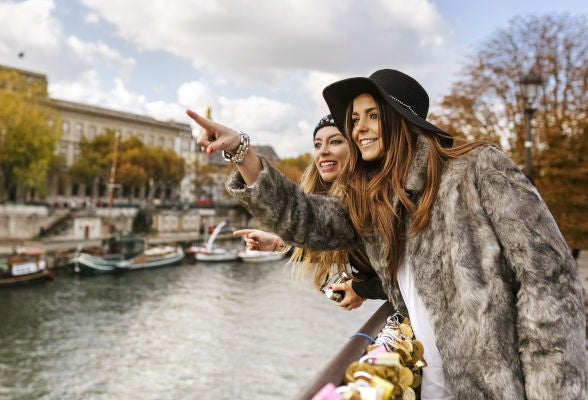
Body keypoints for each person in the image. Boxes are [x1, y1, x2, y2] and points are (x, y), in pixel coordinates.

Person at [187, 69, 586, 399]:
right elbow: (303, 217)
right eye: (354, 119)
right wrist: (242, 150)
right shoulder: (376, 200)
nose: (359, 128)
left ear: (402, 119)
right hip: (429, 386)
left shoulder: (478, 169)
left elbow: (550, 287)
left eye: (372, 115)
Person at [233, 114, 385, 309]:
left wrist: (362, 289)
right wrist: (278, 242)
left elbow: (411, 276)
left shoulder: (376, 200)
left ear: (358, 148)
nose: (323, 151)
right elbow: (325, 237)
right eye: (317, 145)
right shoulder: (347, 202)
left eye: (336, 141)